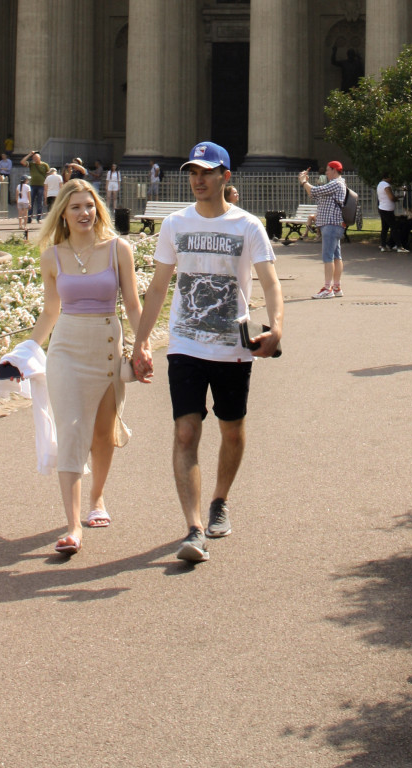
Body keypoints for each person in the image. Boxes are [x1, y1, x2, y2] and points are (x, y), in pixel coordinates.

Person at [131, 140, 283, 564]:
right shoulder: (175, 225)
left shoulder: (247, 226)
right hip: (185, 344)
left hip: (233, 346)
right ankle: (194, 528)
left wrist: (277, 327)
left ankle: (220, 500)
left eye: (206, 172)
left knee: (231, 430)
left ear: (225, 176)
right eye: (193, 173)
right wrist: (141, 341)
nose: (198, 180)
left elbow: (270, 283)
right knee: (185, 431)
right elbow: (159, 287)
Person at [23, 178, 144, 554]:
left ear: (98, 209)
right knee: (72, 430)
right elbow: (49, 311)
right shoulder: (52, 256)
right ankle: (74, 526)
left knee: (101, 433)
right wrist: (23, 351)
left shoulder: (117, 249)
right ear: (63, 213)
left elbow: (134, 304)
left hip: (107, 346)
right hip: (67, 350)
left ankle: (97, 499)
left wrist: (142, 348)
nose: (84, 213)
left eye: (89, 206)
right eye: (75, 207)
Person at [299, 160, 347, 298]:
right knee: (337, 256)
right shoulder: (338, 184)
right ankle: (336, 287)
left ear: (334, 170)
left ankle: (327, 288)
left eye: (327, 170)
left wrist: (303, 182)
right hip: (334, 224)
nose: (326, 172)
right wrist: (306, 184)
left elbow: (314, 191)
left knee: (328, 257)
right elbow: (315, 194)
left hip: (330, 224)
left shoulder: (336, 183)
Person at [21, 152, 52, 224]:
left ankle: (39, 218)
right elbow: (22, 162)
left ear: (39, 158)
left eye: (36, 158)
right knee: (30, 202)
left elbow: (48, 174)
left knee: (39, 203)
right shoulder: (32, 164)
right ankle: (29, 218)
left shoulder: (45, 165)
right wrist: (29, 154)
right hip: (33, 185)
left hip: (41, 185)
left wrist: (47, 184)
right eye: (34, 158)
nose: (35, 159)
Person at [377, 175, 398, 251]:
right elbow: (391, 197)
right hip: (387, 209)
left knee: (385, 228)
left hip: (382, 208)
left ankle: (383, 245)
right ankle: (399, 245)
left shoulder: (380, 184)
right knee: (394, 227)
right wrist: (396, 198)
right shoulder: (386, 185)